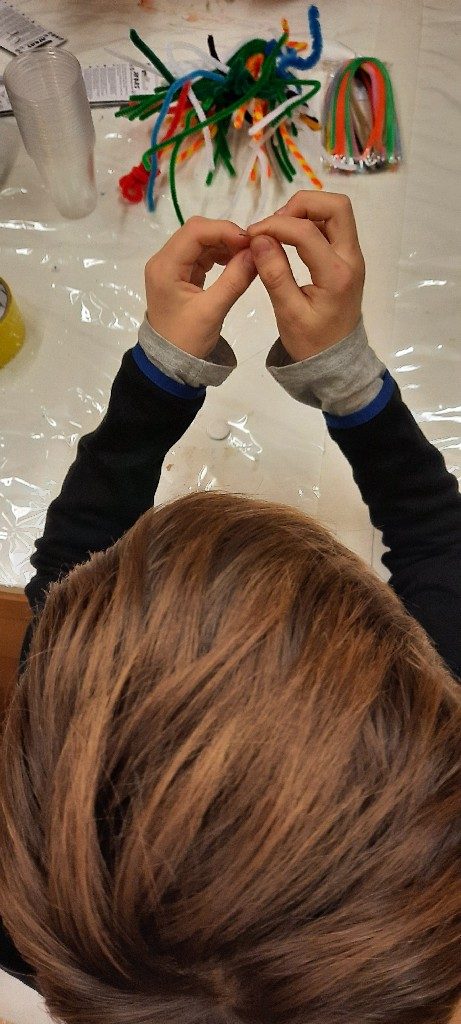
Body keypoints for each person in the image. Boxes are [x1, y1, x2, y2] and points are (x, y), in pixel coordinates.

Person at [0, 193, 460, 1024]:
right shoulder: (436, 809)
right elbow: (439, 544)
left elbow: (67, 575)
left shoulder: (38, 900)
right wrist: (345, 377)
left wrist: (158, 377)